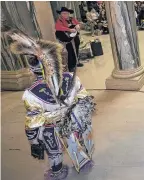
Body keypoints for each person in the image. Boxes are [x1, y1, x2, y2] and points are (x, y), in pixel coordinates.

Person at [3, 26, 95, 180]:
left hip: (50, 127)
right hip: (72, 120)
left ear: (32, 70)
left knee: (54, 151)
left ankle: (57, 172)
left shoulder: (30, 94)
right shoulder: (71, 77)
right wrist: (79, 118)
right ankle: (84, 161)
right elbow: (84, 99)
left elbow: (32, 123)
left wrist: (34, 142)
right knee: (76, 139)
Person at [55, 7, 83, 72]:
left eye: (66, 13)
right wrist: (69, 29)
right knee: (70, 52)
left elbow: (78, 24)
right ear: (61, 14)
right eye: (63, 13)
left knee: (76, 49)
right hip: (67, 40)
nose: (65, 15)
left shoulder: (72, 19)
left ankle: (76, 62)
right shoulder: (59, 21)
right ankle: (71, 66)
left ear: (68, 14)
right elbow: (57, 27)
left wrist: (78, 25)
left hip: (75, 37)